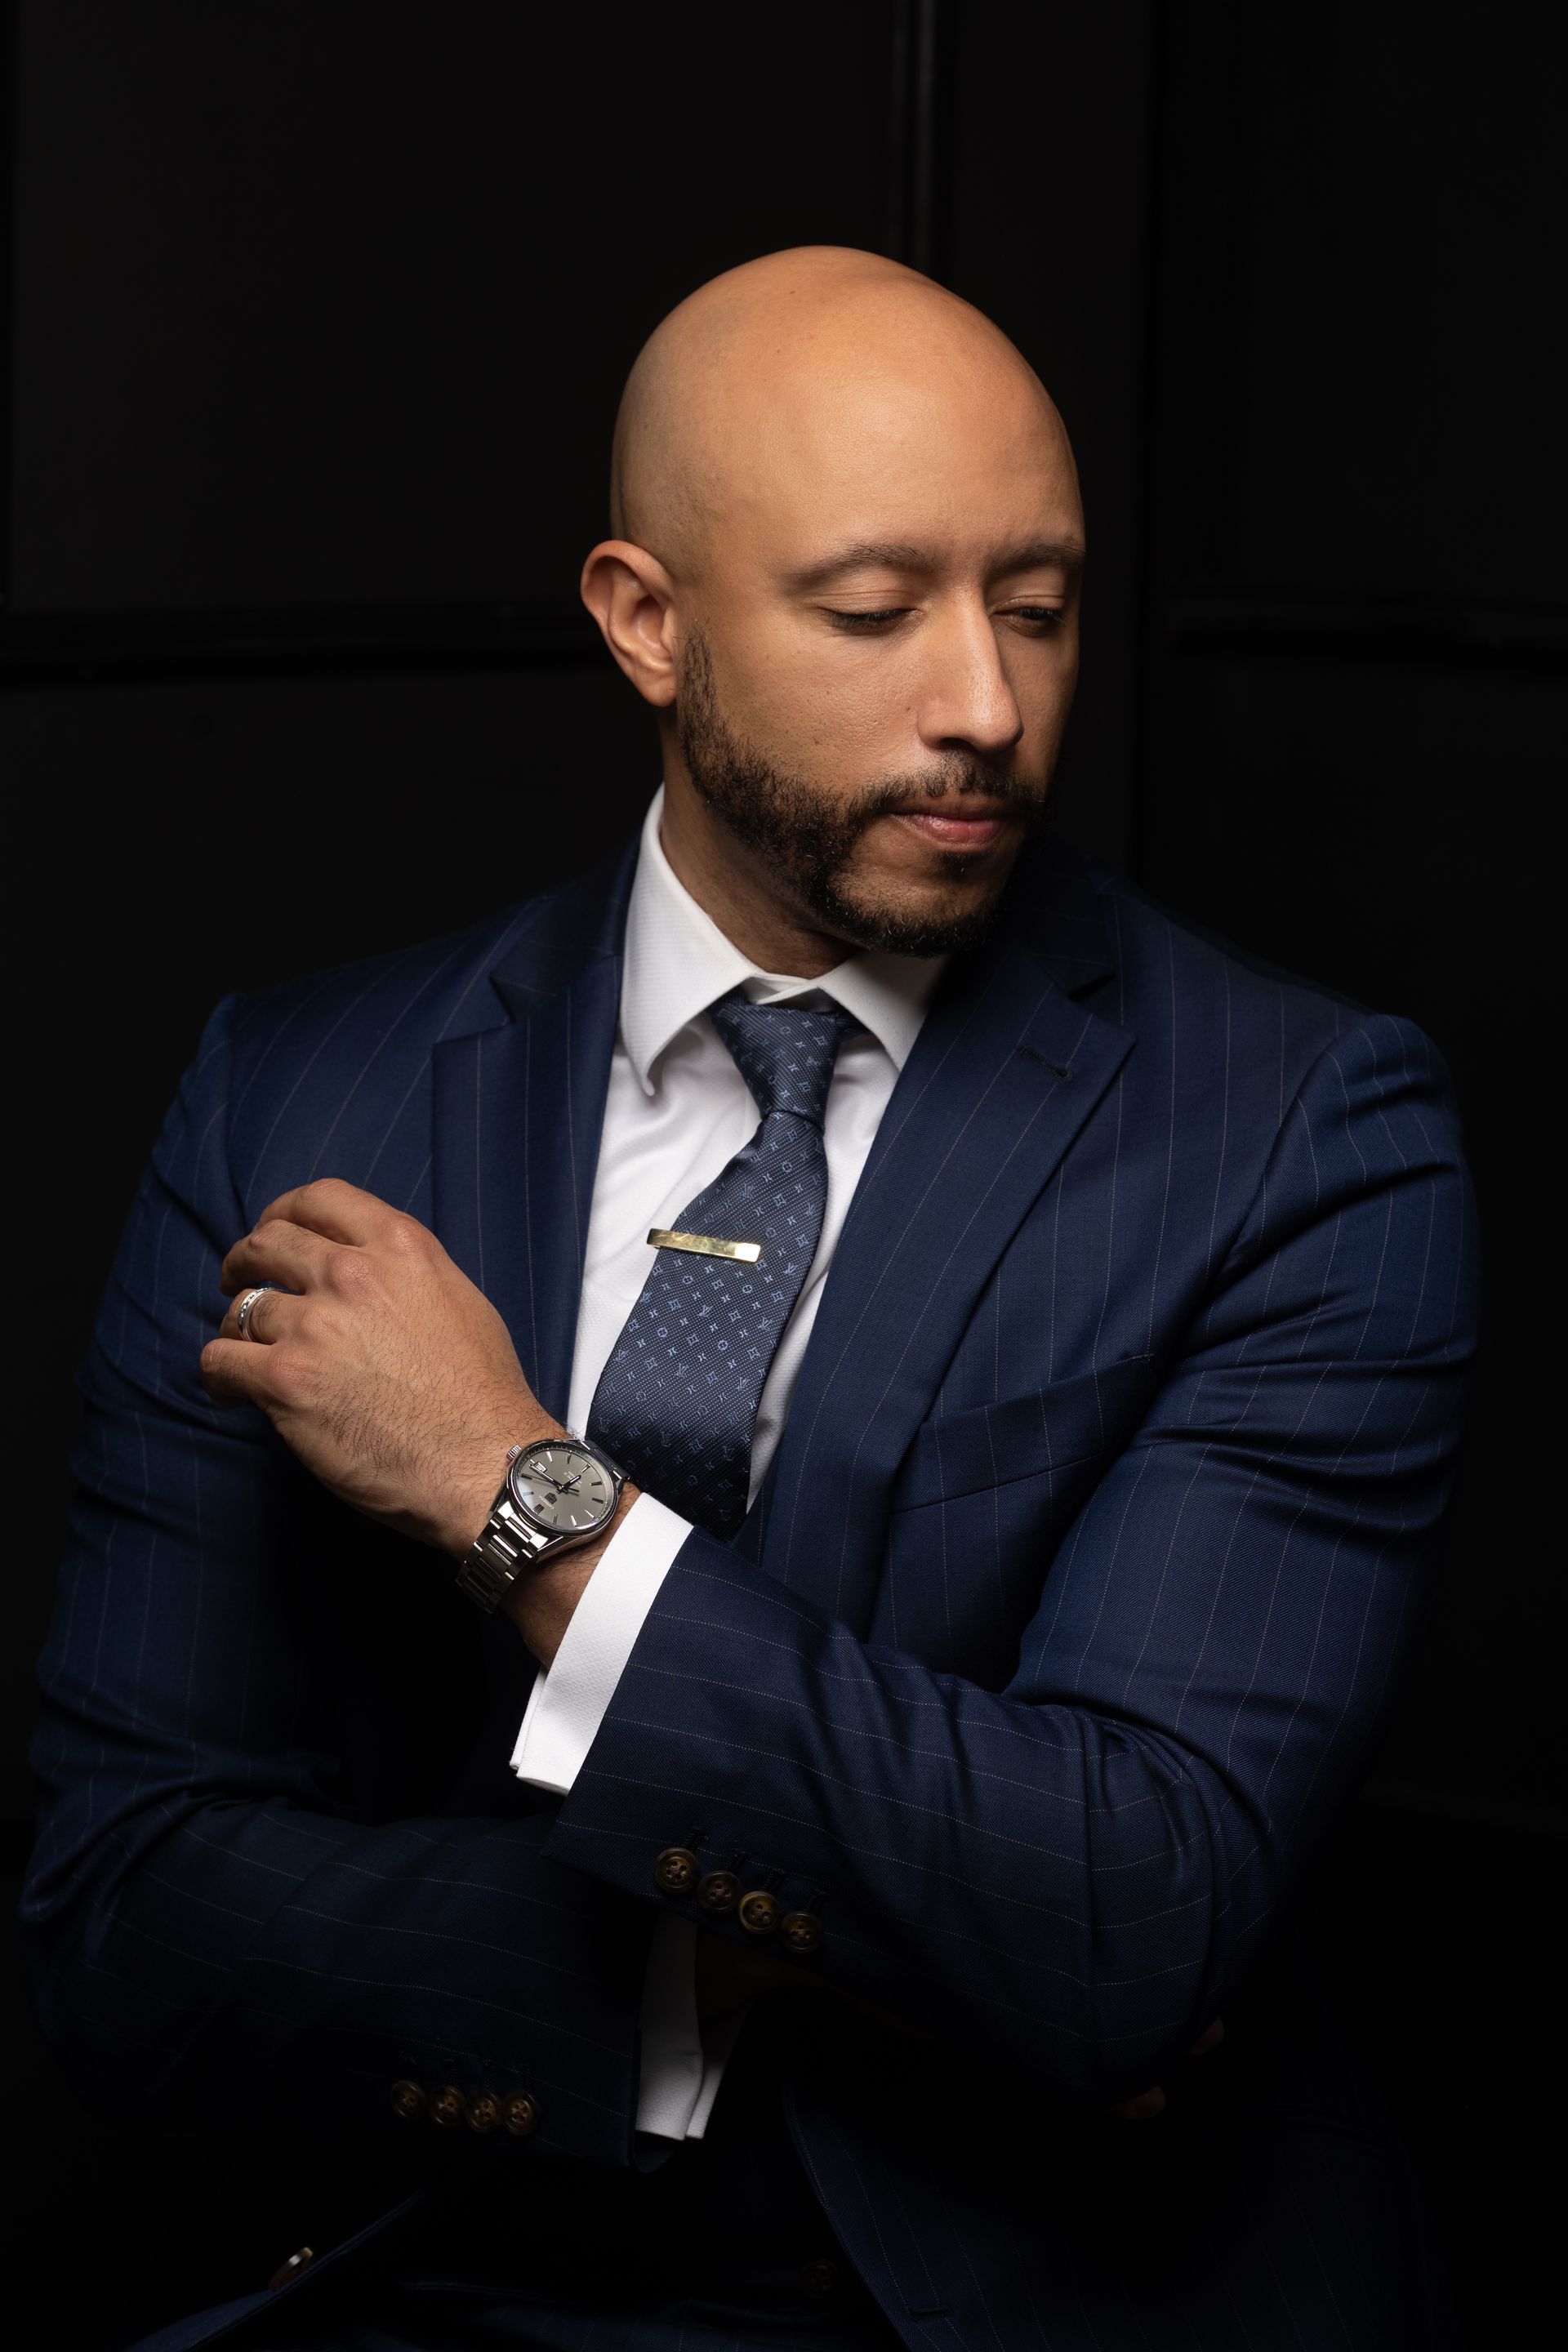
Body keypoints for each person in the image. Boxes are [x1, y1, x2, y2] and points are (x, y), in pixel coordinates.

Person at [24, 247, 1474, 2350]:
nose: (984, 698)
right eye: (876, 612)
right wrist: (730, 1978)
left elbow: (1124, 1912)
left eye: (1041, 606)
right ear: (646, 620)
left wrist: (529, 1499)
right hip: (416, 2263)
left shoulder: (1301, 1133)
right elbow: (124, 1921)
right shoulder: (298, 1094)